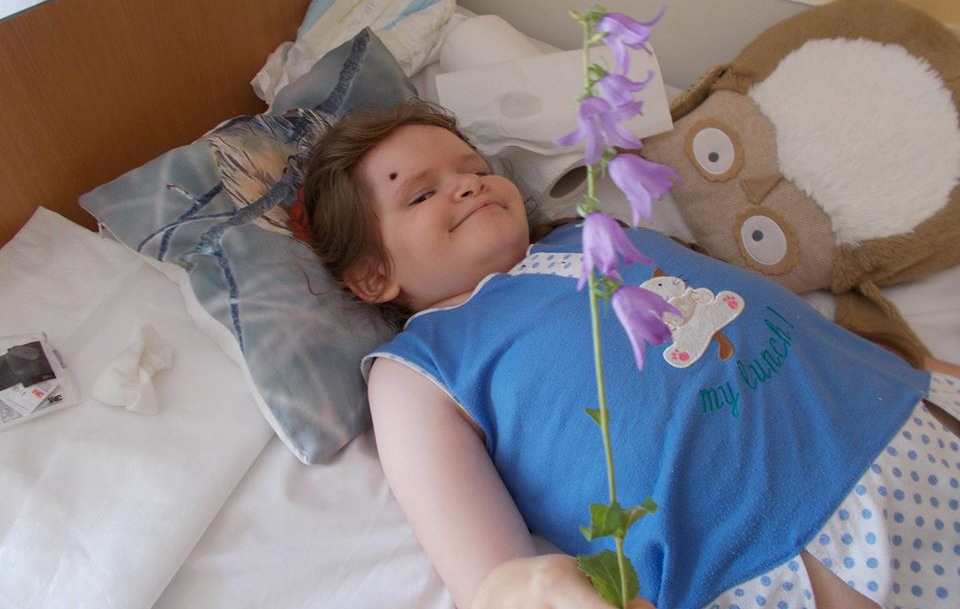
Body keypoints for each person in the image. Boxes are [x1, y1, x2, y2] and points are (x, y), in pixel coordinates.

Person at [302, 99, 960, 609]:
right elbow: (495, 582)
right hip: (787, 551)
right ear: (371, 276)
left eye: (475, 169)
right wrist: (544, 587)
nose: (470, 186)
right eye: (421, 194)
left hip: (903, 420)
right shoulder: (418, 370)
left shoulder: (594, 232)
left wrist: (918, 369)